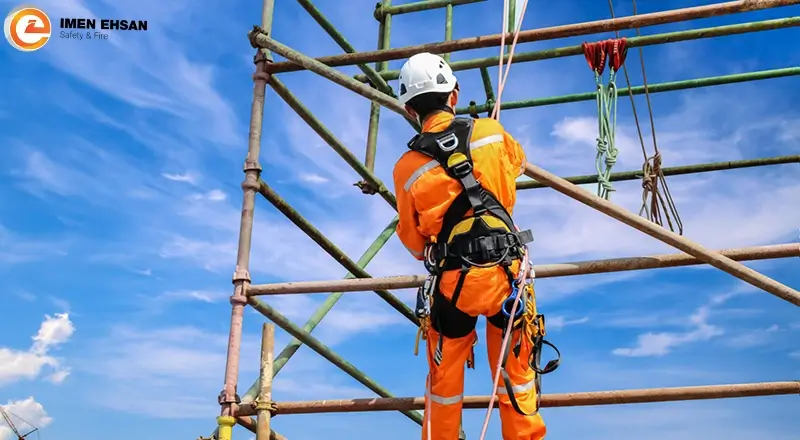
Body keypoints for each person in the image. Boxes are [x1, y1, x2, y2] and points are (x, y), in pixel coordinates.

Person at [392, 52, 546, 440]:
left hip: (453, 282)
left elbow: (412, 240)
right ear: (454, 95)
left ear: (410, 110)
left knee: (444, 384)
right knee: (517, 374)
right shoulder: (491, 133)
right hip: (506, 274)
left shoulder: (407, 167)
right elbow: (519, 165)